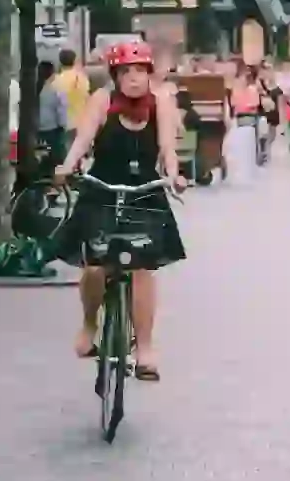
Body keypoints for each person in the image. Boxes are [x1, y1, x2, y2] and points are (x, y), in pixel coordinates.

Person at [54, 42, 188, 382]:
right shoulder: (102, 100)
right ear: (115, 76)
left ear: (149, 74)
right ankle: (89, 325)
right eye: (126, 72)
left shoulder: (161, 103)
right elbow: (84, 139)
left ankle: (145, 348)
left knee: (142, 268)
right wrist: (67, 167)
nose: (133, 79)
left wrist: (174, 175)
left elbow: (167, 148)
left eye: (140, 71)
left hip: (143, 190)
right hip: (102, 187)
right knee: (96, 265)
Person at [225, 65, 262, 185]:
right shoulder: (236, 90)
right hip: (242, 117)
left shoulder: (252, 89)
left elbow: (255, 103)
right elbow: (234, 103)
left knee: (251, 141)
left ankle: (254, 160)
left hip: (249, 117)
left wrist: (244, 107)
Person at [36, 60, 69, 174]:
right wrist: (63, 125)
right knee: (56, 159)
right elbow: (61, 110)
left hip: (36, 130)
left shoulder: (33, 90)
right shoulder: (56, 90)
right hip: (53, 129)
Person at [53, 49, 91, 145]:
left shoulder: (56, 80)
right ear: (74, 60)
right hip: (82, 120)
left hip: (64, 122)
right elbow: (87, 97)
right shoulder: (82, 77)